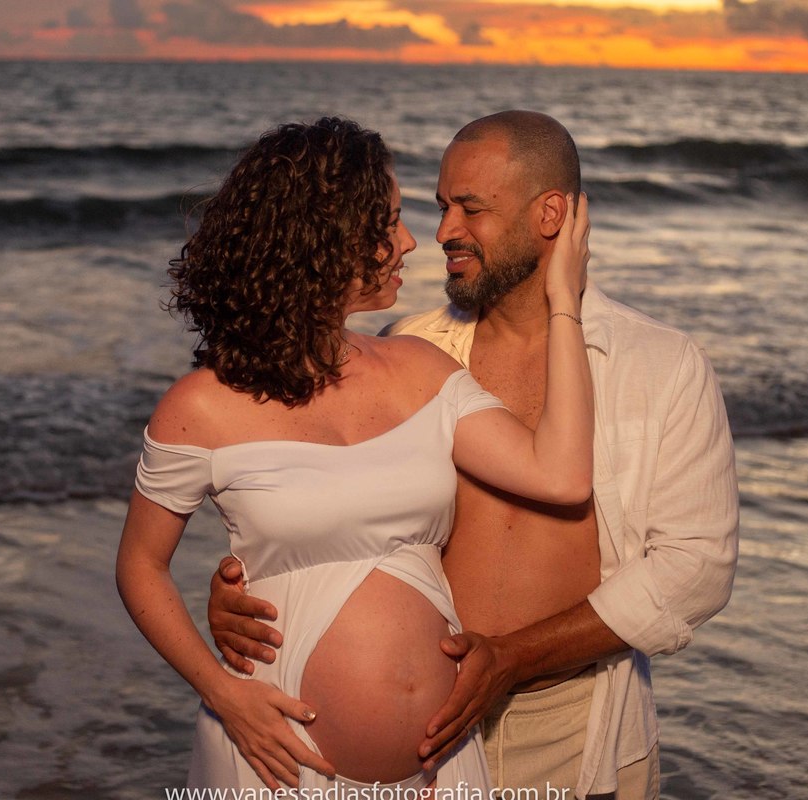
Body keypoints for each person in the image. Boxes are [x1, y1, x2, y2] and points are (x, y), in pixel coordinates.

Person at [208, 111, 739, 799]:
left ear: (550, 214)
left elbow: (696, 568)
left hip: (576, 728)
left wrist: (514, 658)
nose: (443, 232)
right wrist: (250, 590)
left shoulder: (660, 365)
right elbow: (319, 502)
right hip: (417, 735)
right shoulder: (410, 350)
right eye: (441, 207)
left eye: (471, 209)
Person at [115, 116, 597, 794]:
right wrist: (223, 693)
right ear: (325, 238)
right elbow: (140, 565)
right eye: (389, 222)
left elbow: (562, 475)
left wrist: (562, 300)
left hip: (441, 770)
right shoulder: (202, 407)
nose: (411, 242)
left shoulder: (421, 368)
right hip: (276, 760)